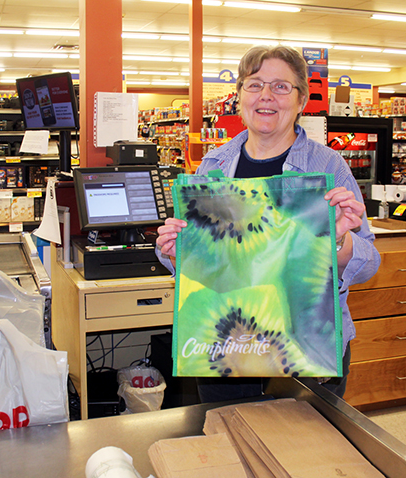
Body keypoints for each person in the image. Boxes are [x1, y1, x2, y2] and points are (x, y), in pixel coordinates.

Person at [155, 45, 380, 401]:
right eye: (255, 84)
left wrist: (338, 240)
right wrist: (173, 249)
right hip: (226, 344)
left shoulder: (327, 168)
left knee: (306, 452)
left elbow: (370, 262)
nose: (266, 96)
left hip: (305, 347)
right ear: (240, 95)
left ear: (301, 100)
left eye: (280, 86)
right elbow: (203, 266)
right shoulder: (214, 166)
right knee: (226, 445)